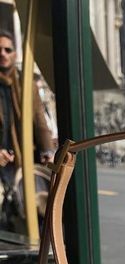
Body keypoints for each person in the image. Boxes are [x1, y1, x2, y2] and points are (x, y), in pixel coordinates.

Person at [0, 28, 55, 221]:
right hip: (2, 162)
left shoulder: (26, 84)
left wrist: (47, 151)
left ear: (15, 54)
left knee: (31, 211)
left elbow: (40, 121)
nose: (3, 54)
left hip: (25, 159)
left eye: (7, 50)